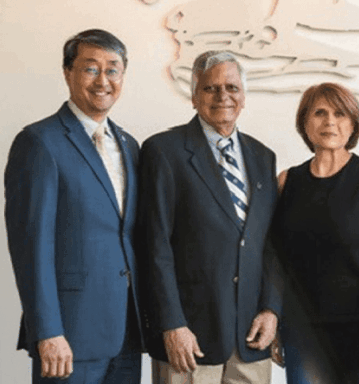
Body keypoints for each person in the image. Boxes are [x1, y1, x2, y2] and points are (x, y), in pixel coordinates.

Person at [4, 29, 142, 383]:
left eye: (113, 69)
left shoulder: (129, 146)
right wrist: (47, 331)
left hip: (126, 332)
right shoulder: (39, 142)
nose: (103, 80)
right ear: (68, 73)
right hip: (68, 337)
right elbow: (30, 247)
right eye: (90, 68)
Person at [137, 50, 280, 384]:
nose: (223, 96)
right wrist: (171, 323)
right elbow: (154, 246)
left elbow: (272, 244)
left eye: (231, 87)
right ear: (193, 96)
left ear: (243, 97)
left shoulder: (263, 157)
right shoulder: (163, 152)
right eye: (210, 88)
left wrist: (271, 310)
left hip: (251, 336)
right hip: (190, 338)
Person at [272, 82, 359, 384]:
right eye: (320, 113)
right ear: (305, 122)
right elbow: (278, 261)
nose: (330, 121)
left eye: (340, 114)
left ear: (354, 123)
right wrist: (275, 322)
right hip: (301, 330)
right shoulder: (286, 182)